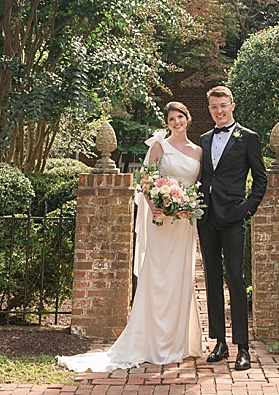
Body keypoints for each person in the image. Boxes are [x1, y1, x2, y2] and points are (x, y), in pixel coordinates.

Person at [58, 102, 205, 372]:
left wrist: (188, 206)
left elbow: (198, 187)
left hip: (184, 223)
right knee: (159, 277)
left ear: (188, 118)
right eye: (171, 118)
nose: (176, 122)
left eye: (180, 117)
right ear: (168, 122)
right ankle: (154, 342)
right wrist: (155, 205)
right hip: (162, 220)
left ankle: (179, 342)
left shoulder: (198, 151)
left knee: (180, 279)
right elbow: (146, 182)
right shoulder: (160, 147)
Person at [197, 84, 266, 371]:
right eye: (214, 106)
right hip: (207, 218)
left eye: (223, 105)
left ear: (232, 106)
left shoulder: (248, 138)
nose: (219, 110)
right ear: (210, 109)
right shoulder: (202, 140)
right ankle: (219, 343)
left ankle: (243, 348)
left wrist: (247, 208)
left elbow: (261, 179)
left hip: (234, 218)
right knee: (212, 280)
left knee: (235, 279)